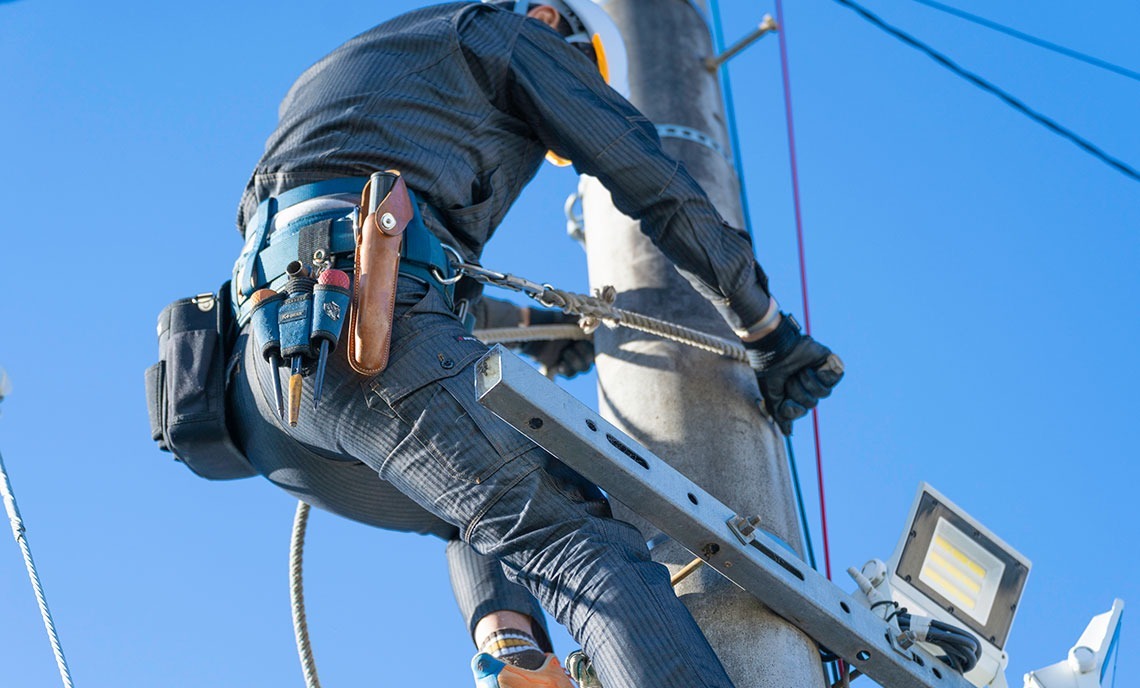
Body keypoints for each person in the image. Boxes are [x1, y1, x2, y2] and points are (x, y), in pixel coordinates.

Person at [227, 2, 843, 688]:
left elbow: (365, 250)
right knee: (578, 542)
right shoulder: (506, 31)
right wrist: (767, 329)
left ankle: (513, 655)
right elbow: (651, 177)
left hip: (273, 390)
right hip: (364, 334)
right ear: (555, 17)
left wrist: (537, 337)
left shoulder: (365, 71)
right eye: (581, 73)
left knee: (482, 504)